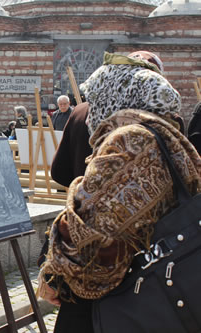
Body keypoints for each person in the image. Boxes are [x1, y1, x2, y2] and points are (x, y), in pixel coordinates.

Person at [38, 51, 201, 333]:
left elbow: (89, 229)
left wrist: (53, 275)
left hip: (121, 298)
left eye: (98, 99)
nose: (92, 110)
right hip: (160, 290)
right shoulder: (164, 133)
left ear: (116, 96)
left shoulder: (128, 139)